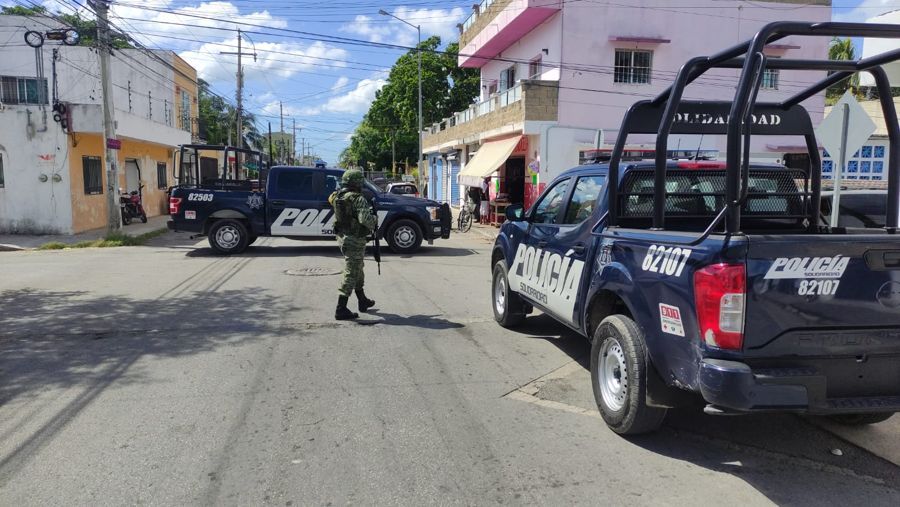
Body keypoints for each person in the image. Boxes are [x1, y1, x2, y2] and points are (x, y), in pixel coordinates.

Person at [329, 169, 377, 320]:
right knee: (351, 272)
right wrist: (374, 218)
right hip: (355, 239)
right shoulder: (358, 199)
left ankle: (362, 300)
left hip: (343, 237)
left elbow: (330, 200)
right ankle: (340, 308)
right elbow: (366, 221)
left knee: (358, 268)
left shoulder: (337, 196)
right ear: (357, 183)